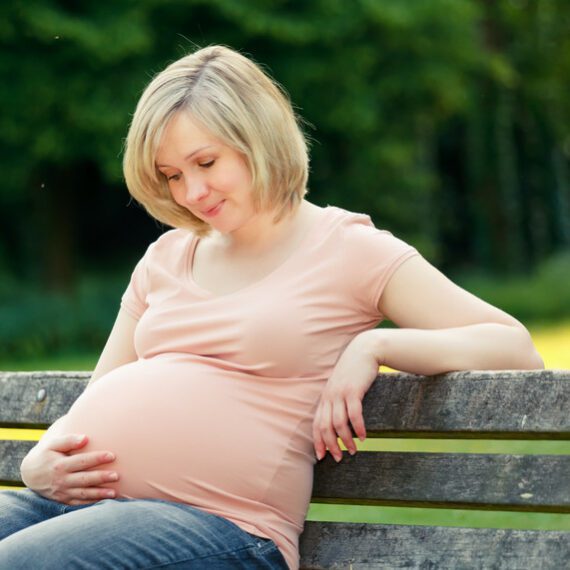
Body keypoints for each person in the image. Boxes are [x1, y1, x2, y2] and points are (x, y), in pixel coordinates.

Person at [0, 45, 544, 570]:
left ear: (256, 137)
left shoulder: (348, 248)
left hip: (222, 526)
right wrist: (36, 462)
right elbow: (97, 396)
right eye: (172, 175)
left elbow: (515, 348)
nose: (191, 191)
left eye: (206, 162)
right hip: (78, 507)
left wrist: (377, 343)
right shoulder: (165, 257)